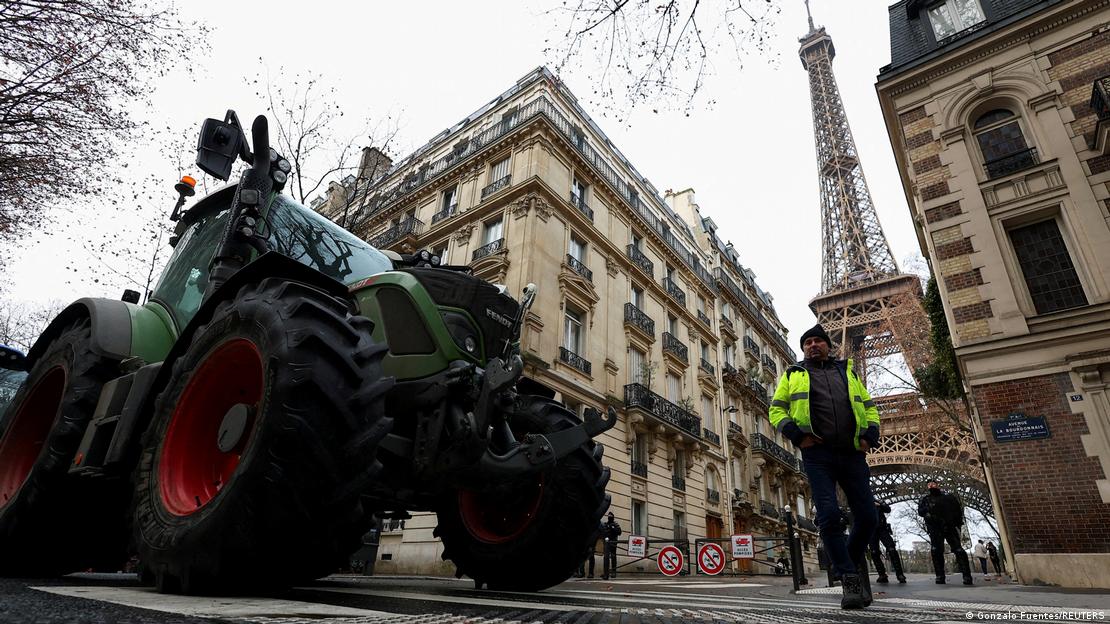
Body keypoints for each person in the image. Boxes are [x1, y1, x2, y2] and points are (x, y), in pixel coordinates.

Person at [769, 324, 880, 610]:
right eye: (808, 342)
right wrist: (797, 435)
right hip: (818, 454)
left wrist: (870, 437)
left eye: (818, 341)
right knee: (828, 516)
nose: (813, 345)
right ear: (803, 348)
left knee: (868, 517)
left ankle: (848, 561)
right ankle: (849, 578)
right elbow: (776, 409)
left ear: (828, 345)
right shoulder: (793, 374)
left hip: (852, 452)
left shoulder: (848, 371)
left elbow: (868, 406)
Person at [917, 481, 973, 585]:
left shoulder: (948, 497)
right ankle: (940, 576)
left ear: (937, 485)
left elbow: (957, 510)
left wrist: (957, 524)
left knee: (958, 549)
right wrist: (928, 514)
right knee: (936, 550)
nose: (931, 485)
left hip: (949, 525)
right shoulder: (925, 499)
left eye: (933, 483)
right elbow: (921, 512)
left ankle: (967, 576)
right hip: (935, 527)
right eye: (929, 484)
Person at [869, 500, 907, 584]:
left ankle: (900, 574)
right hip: (871, 530)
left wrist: (879, 504)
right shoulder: (862, 501)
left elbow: (887, 509)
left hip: (882, 528)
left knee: (891, 549)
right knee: (874, 552)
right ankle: (882, 574)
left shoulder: (876, 501)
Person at [600, 512, 621, 580]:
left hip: (613, 542)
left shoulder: (615, 524)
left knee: (613, 556)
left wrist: (612, 527)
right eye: (609, 516)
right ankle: (606, 573)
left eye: (611, 516)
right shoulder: (606, 524)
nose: (609, 517)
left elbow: (619, 532)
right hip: (607, 542)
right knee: (606, 557)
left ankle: (613, 572)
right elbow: (603, 532)